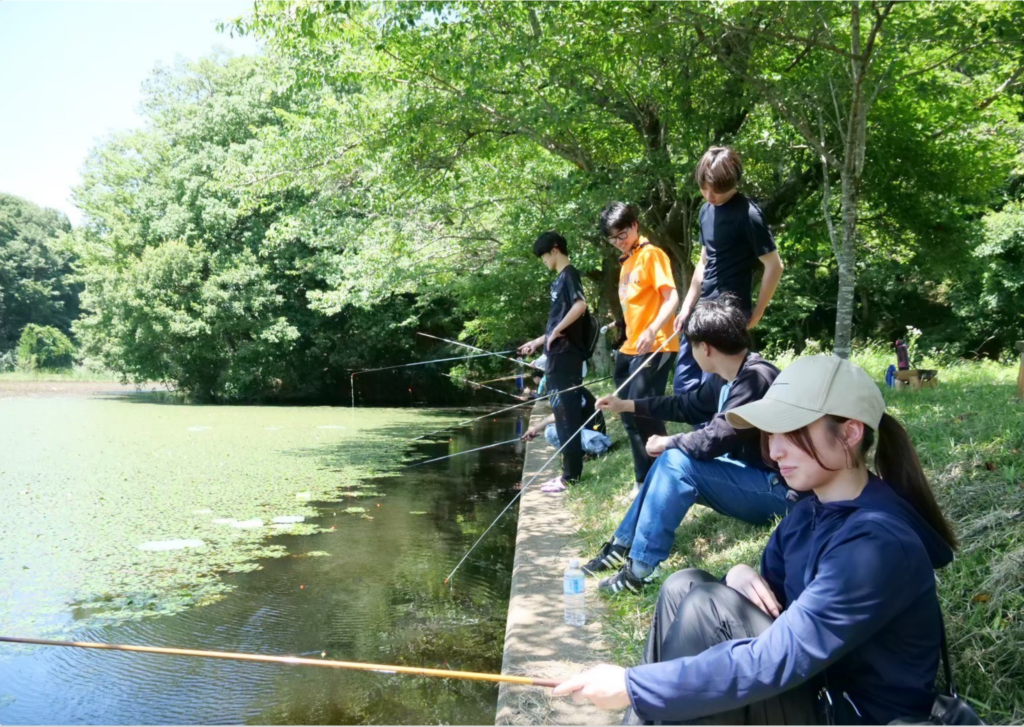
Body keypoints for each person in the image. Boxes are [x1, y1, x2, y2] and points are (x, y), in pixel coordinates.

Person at [554, 355, 957, 726]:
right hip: (814, 687)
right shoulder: (808, 513)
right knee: (684, 585)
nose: (774, 450)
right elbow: (774, 610)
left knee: (706, 607)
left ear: (849, 433)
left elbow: (780, 656)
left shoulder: (877, 543)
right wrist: (739, 574)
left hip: (853, 712)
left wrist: (635, 686)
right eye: (770, 433)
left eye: (792, 431)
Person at [585, 296, 794, 593]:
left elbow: (714, 440)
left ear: (704, 347)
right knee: (671, 459)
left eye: (691, 345)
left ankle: (640, 571)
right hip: (752, 478)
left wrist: (668, 441)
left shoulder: (756, 379)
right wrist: (626, 405)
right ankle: (621, 545)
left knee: (674, 460)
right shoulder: (728, 377)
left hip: (779, 491)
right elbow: (686, 406)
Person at [673, 147, 785, 395]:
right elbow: (704, 262)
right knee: (684, 385)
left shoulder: (749, 214)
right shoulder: (705, 211)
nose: (709, 195)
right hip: (703, 309)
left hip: (729, 312)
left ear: (733, 182)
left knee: (714, 388)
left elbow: (774, 266)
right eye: (704, 188)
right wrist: (687, 307)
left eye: (717, 190)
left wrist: (758, 311)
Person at [599, 202, 680, 496]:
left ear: (635, 224)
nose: (619, 241)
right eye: (612, 238)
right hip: (630, 348)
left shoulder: (651, 255)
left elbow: (672, 298)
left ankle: (668, 478)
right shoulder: (626, 263)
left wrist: (653, 328)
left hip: (656, 345)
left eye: (622, 234)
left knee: (645, 412)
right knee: (628, 415)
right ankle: (643, 480)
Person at [517, 231, 589, 493]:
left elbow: (580, 305)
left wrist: (557, 330)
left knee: (566, 414)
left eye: (544, 256)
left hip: (567, 357)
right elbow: (558, 322)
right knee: (560, 413)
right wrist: (538, 342)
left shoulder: (569, 274)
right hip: (556, 356)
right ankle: (568, 473)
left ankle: (571, 476)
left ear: (555, 250)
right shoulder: (558, 281)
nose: (544, 261)